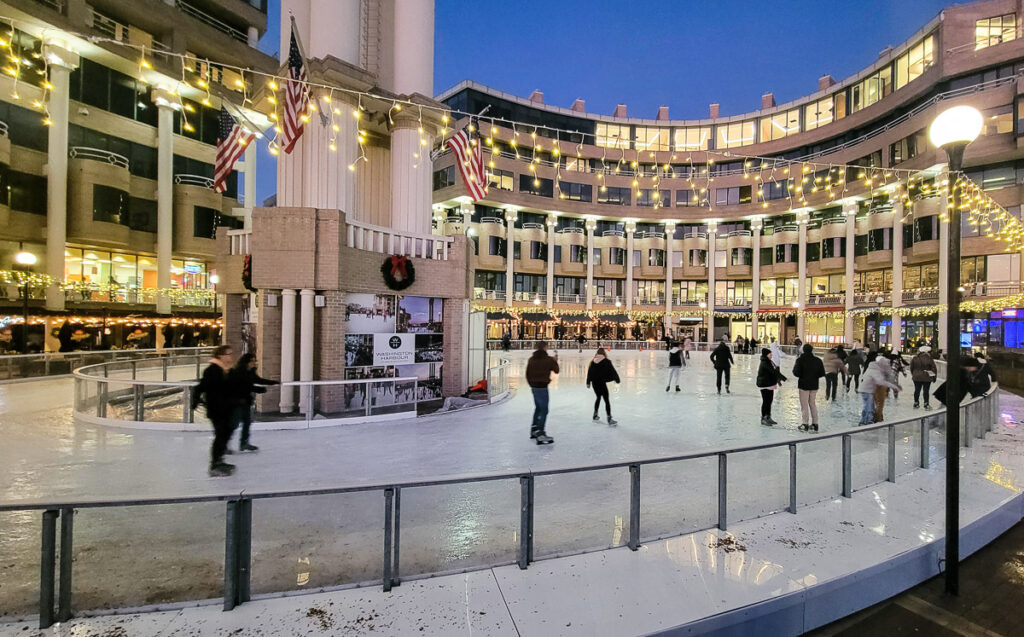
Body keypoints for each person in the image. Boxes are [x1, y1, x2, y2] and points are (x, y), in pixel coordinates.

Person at [192, 345, 237, 477]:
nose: (230, 356)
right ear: (220, 356)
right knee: (221, 435)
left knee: (226, 433)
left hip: (226, 409)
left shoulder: (227, 370)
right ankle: (215, 463)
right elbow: (201, 387)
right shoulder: (212, 370)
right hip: (217, 410)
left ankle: (219, 460)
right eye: (228, 354)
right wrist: (195, 401)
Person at [228, 353, 279, 452]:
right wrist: (259, 390)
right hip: (236, 401)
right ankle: (224, 444)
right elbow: (244, 386)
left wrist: (272, 383)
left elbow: (258, 380)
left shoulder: (250, 372)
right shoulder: (239, 372)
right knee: (234, 423)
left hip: (245, 401)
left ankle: (244, 443)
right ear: (247, 362)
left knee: (247, 422)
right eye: (252, 361)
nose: (254, 363)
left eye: (255, 360)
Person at [525, 342, 559, 444]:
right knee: (544, 410)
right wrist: (555, 361)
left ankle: (534, 429)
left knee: (538, 408)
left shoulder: (531, 359)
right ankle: (540, 432)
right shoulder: (548, 360)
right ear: (545, 348)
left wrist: (532, 385)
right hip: (542, 387)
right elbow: (556, 371)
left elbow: (528, 374)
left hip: (534, 387)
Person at [792, 344, 826, 432]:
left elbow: (796, 372)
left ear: (803, 350)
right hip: (814, 385)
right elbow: (822, 373)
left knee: (804, 405)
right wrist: (814, 376)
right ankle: (815, 423)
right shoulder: (818, 360)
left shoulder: (800, 360)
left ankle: (805, 423)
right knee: (812, 404)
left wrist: (803, 375)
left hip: (804, 385)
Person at [858, 356, 900, 425]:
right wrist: (894, 386)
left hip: (869, 390)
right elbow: (880, 381)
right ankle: (865, 422)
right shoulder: (875, 369)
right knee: (868, 407)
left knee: (870, 406)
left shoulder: (873, 367)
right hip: (867, 390)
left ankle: (867, 420)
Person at [586, 347, 621, 425]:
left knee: (598, 397)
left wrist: (588, 382)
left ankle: (595, 415)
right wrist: (617, 379)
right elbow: (613, 371)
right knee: (606, 400)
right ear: (604, 353)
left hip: (595, 383)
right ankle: (609, 418)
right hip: (601, 383)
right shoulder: (606, 361)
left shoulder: (593, 362)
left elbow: (589, 373)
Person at [756, 347, 787, 426]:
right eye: (770, 354)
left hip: (769, 384)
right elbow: (773, 372)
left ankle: (768, 417)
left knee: (769, 401)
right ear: (766, 355)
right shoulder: (765, 362)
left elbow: (774, 371)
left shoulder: (769, 361)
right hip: (764, 384)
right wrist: (784, 378)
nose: (771, 355)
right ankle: (764, 418)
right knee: (766, 401)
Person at [873, 355, 900, 422]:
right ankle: (878, 417)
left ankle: (877, 416)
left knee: (877, 402)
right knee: (880, 403)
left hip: (875, 386)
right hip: (881, 387)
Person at [909, 345, 937, 409]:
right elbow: (933, 368)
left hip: (916, 377)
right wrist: (934, 377)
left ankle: (916, 403)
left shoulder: (915, 358)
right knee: (926, 390)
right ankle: (926, 404)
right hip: (926, 377)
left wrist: (914, 374)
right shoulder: (929, 358)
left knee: (917, 390)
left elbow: (911, 368)